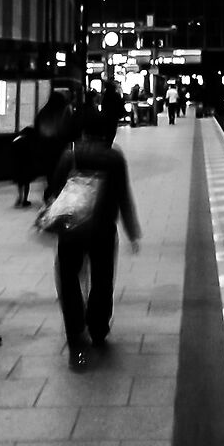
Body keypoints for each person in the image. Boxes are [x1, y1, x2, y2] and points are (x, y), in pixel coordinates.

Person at [48, 104, 140, 371]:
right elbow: (123, 195)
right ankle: (98, 327)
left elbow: (54, 190)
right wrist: (132, 231)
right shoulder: (114, 157)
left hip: (71, 230)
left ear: (85, 131)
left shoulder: (70, 154)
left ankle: (76, 332)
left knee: (68, 279)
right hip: (102, 230)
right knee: (102, 277)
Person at [9, 91, 73, 210]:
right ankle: (54, 195)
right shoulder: (62, 113)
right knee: (58, 174)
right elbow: (66, 132)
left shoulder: (43, 112)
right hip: (58, 149)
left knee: (50, 174)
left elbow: (38, 131)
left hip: (44, 150)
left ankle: (49, 195)